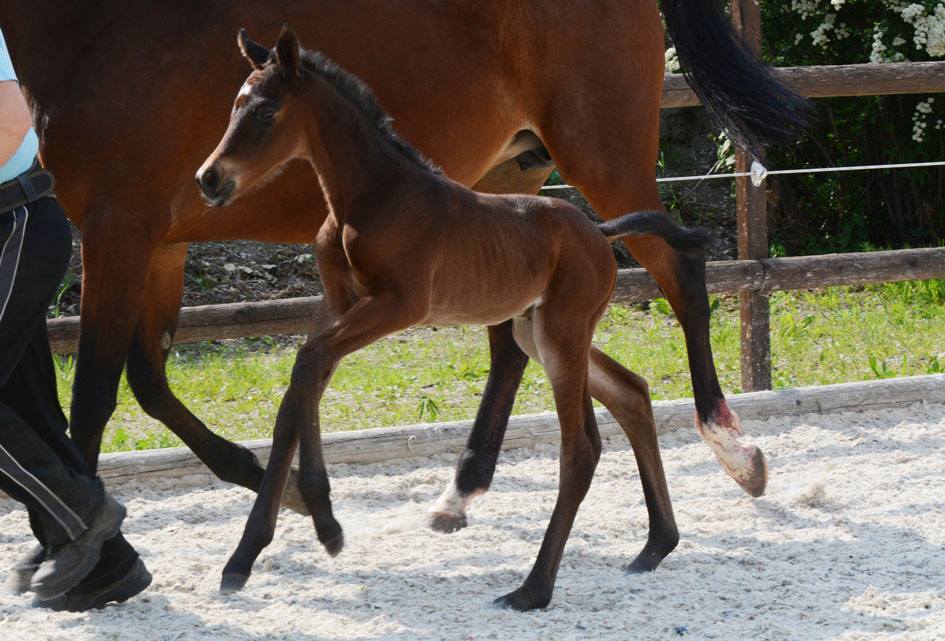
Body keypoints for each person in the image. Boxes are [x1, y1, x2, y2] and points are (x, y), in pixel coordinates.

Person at [0, 26, 151, 610]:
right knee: (26, 408)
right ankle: (107, 566)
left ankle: (82, 513)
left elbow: (12, 122)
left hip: (13, 227)